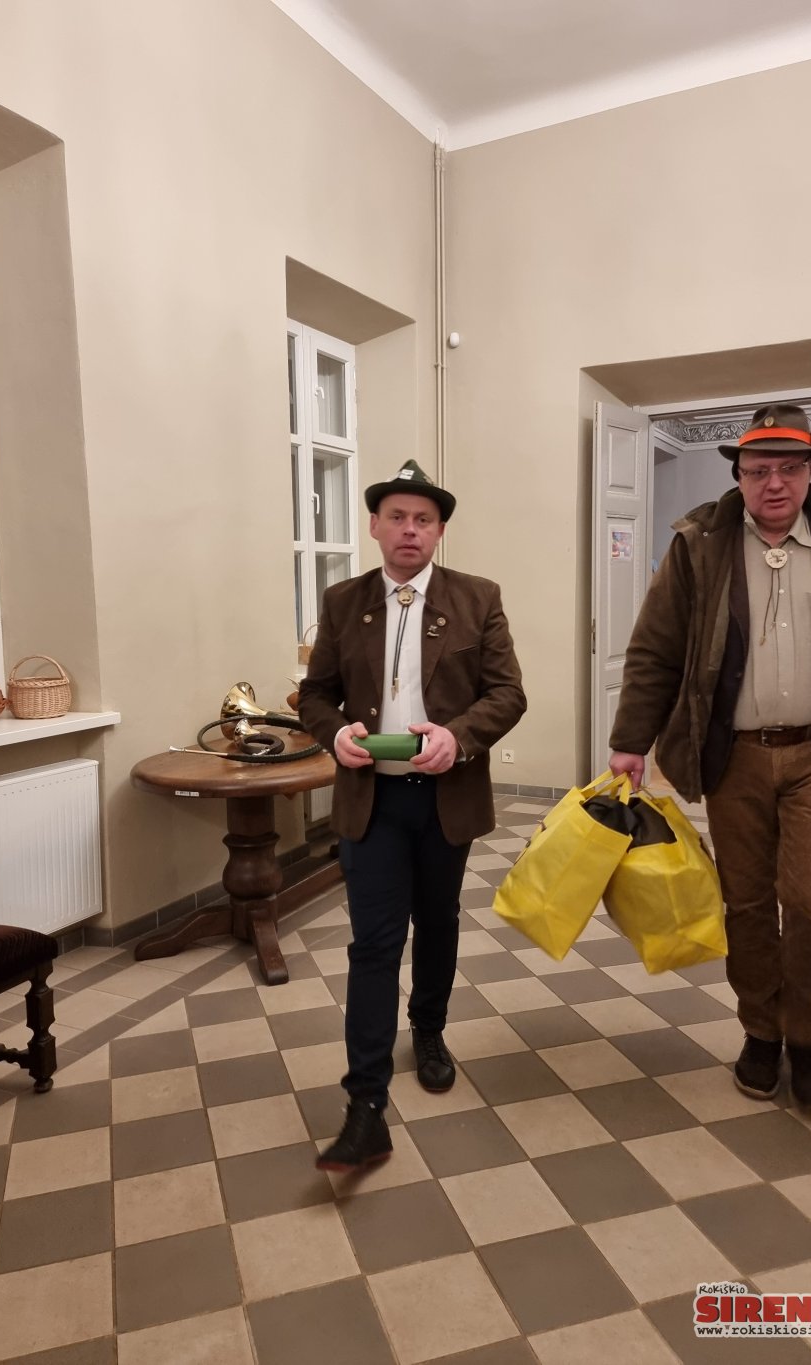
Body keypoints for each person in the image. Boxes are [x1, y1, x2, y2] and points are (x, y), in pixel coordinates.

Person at [608, 402, 811, 1107]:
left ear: (810, 472)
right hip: (732, 754)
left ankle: (807, 1039)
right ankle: (761, 1033)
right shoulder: (700, 547)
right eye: (760, 469)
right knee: (745, 902)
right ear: (738, 474)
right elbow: (655, 650)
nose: (775, 483)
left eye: (790, 468)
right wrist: (629, 741)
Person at [298, 459, 526, 1171]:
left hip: (443, 797)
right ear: (374, 525)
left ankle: (428, 1028)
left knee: (438, 918)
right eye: (396, 516)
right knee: (373, 943)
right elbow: (315, 694)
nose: (409, 529)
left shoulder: (477, 598)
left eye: (423, 519)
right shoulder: (343, 601)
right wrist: (333, 733)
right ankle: (365, 1103)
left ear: (439, 531)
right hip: (370, 800)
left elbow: (507, 693)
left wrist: (458, 736)